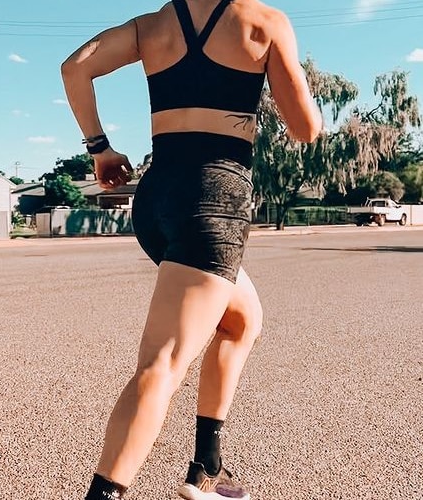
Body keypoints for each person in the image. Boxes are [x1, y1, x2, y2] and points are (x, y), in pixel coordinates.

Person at [60, 1, 322, 499]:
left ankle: (207, 466)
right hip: (214, 201)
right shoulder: (262, 22)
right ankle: (106, 494)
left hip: (158, 199)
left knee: (242, 320)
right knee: (163, 362)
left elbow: (75, 67)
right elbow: (305, 128)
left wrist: (100, 149)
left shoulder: (154, 24)